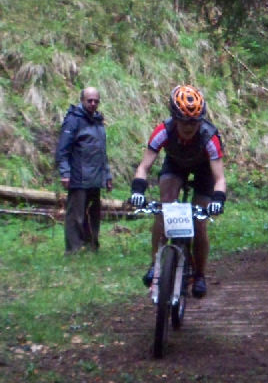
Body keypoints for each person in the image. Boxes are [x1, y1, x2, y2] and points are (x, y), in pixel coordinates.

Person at [129, 85, 227, 298]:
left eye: (194, 121)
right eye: (184, 121)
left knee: (200, 221)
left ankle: (199, 274)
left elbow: (219, 178)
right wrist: (138, 190)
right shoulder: (163, 131)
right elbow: (143, 167)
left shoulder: (209, 136)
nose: (189, 126)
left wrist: (218, 200)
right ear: (175, 117)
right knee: (164, 209)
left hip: (204, 171)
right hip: (175, 165)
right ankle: (156, 265)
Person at [55, 87, 113, 253]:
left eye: (96, 101)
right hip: (78, 176)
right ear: (82, 100)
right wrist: (65, 173)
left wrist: (107, 176)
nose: (93, 104)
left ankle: (91, 246)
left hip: (95, 177)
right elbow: (63, 150)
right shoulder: (73, 120)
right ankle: (73, 249)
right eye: (89, 100)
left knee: (93, 213)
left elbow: (102, 152)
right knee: (76, 215)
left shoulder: (98, 121)